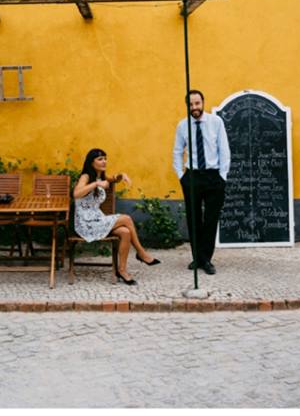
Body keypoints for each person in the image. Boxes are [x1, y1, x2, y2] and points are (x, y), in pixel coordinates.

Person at [73, 148, 160, 286]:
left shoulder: (100, 176)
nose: (104, 161)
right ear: (91, 162)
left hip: (97, 219)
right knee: (126, 219)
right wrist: (95, 184)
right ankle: (141, 253)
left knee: (125, 233)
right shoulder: (86, 176)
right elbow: (76, 194)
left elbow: (113, 179)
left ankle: (122, 270)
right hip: (86, 223)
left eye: (105, 158)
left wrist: (122, 175)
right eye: (100, 159)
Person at [172, 89, 230, 275]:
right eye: (191, 104)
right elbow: (177, 151)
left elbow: (224, 149)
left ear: (203, 103)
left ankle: (206, 259)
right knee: (193, 219)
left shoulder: (216, 122)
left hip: (213, 176)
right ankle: (197, 258)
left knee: (211, 219)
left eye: (197, 103)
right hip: (193, 176)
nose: (194, 107)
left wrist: (223, 176)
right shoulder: (182, 126)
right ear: (187, 105)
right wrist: (181, 175)